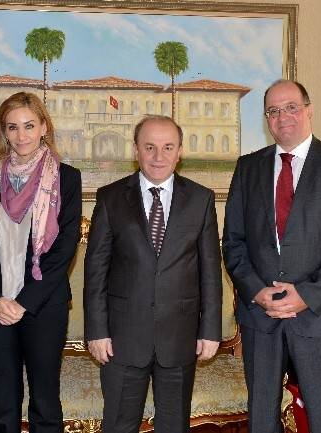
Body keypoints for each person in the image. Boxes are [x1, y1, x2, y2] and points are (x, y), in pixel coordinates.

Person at [222, 79, 321, 433]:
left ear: (308, 110)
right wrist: (257, 291)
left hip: (320, 313)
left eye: (291, 107)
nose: (282, 116)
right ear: (266, 119)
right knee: (261, 419)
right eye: (273, 110)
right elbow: (234, 242)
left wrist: (306, 295)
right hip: (261, 315)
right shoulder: (248, 167)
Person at [84, 115, 222, 433]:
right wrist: (97, 331)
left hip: (180, 338)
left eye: (167, 147)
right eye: (149, 147)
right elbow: (95, 271)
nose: (158, 156)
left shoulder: (201, 199)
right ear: (136, 150)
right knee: (119, 425)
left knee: (174, 426)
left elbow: (210, 271)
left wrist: (211, 330)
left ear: (179, 152)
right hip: (122, 340)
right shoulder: (110, 198)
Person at [0, 92, 82, 433]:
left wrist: (23, 303)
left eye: (29, 126)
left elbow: (63, 249)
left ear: (44, 127)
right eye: (12, 127)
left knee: (45, 405)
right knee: (4, 408)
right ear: (3, 131)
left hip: (43, 306)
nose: (21, 136)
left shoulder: (67, 178)